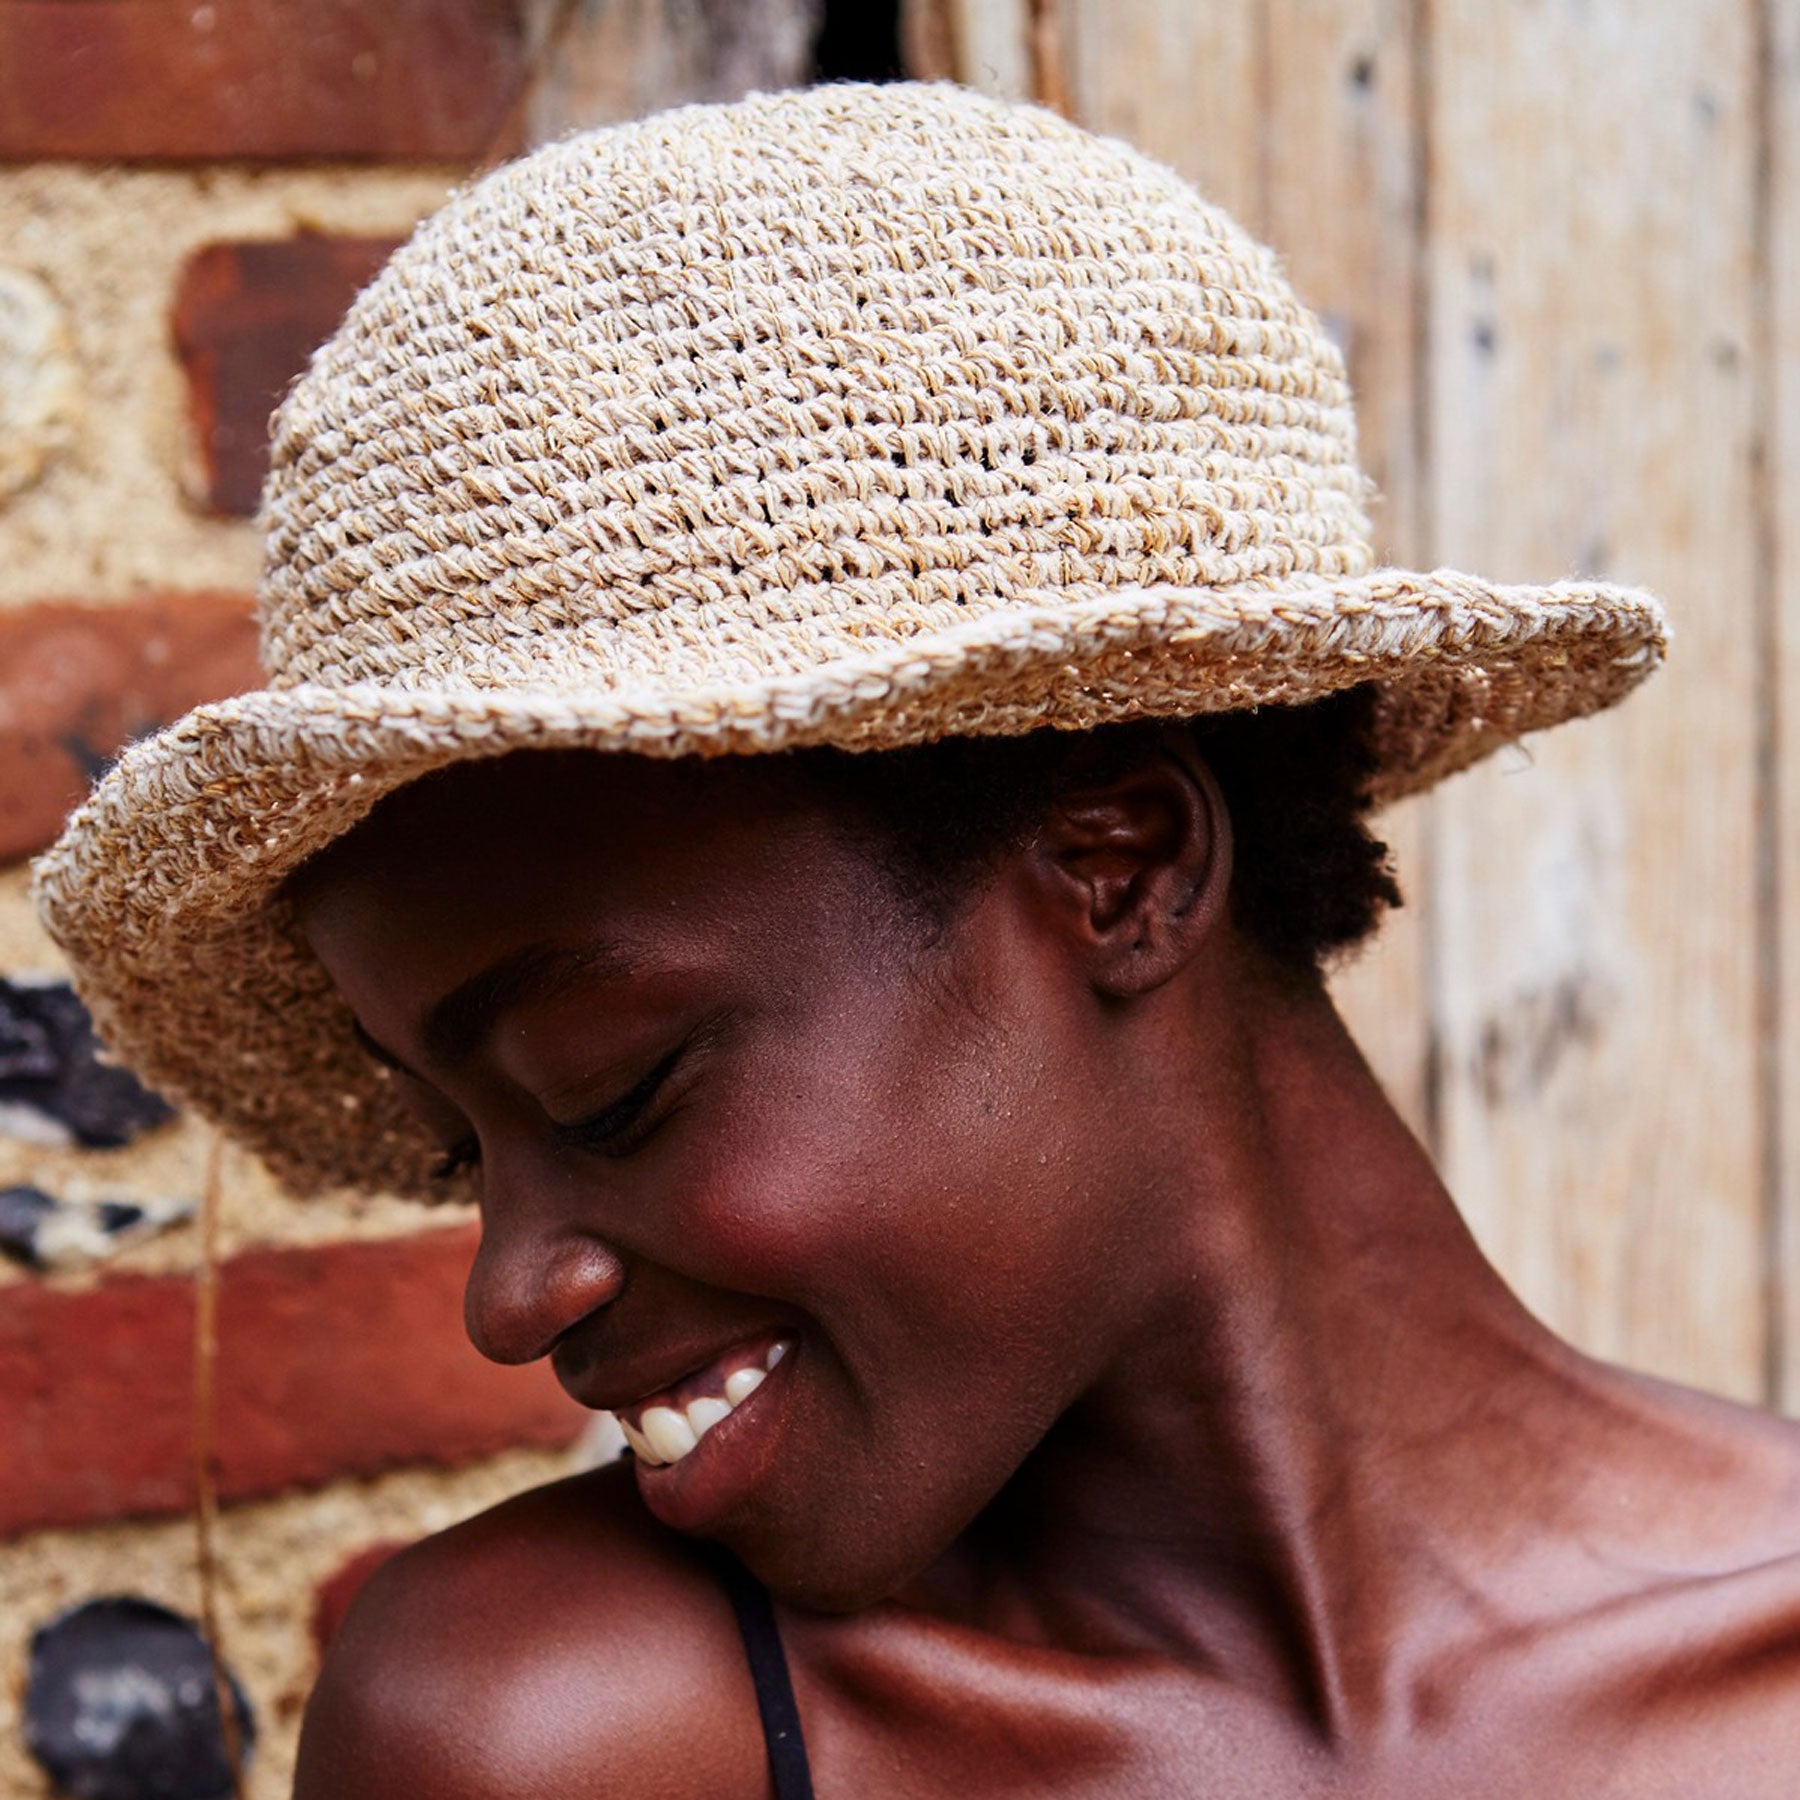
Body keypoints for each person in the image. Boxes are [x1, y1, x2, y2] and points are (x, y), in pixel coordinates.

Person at [34, 82, 1800, 1798]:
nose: (511, 1298)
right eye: (457, 1138)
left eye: (618, 1089)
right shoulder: (559, 1736)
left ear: (1119, 868)